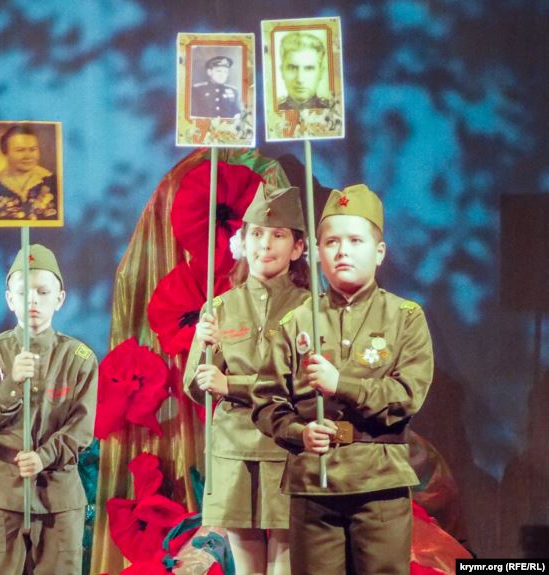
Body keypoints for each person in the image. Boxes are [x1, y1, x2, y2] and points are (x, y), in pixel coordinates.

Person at [251, 184, 434, 575]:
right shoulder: (298, 320)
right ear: (317, 253)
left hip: (379, 481)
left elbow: (406, 396)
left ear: (379, 252)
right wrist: (298, 432)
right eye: (331, 241)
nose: (342, 251)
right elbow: (266, 401)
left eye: (355, 240)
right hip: (314, 485)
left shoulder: (405, 318)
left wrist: (341, 385)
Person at [184, 184, 309, 575]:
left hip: (286, 446)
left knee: (284, 562)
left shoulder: (311, 309)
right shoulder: (219, 307)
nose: (265, 244)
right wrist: (203, 346)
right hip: (233, 450)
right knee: (245, 562)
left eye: (278, 235)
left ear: (298, 248)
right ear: (243, 242)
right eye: (256, 233)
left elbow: (301, 384)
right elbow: (195, 383)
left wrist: (232, 386)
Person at [0, 244, 97, 574]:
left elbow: (82, 427)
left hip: (60, 494)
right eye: (23, 292)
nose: (33, 301)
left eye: (43, 292)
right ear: (10, 299)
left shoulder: (78, 359)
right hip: (3, 492)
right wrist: (11, 382)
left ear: (60, 298)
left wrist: (44, 456)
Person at [0, 125, 59, 221]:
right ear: (5, 151)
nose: (28, 156)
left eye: (33, 149)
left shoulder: (54, 182)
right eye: (20, 150)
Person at [277, 32, 331, 111]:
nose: (300, 79)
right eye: (292, 68)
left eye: (309, 68)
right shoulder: (273, 109)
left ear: (321, 73)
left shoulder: (331, 110)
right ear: (282, 71)